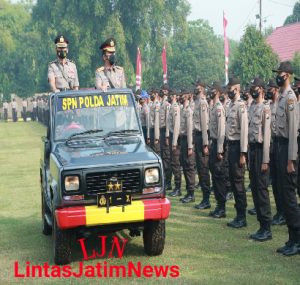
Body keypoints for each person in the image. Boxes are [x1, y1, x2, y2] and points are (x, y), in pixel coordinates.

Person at [272, 61, 300, 256]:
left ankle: (297, 240)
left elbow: (292, 131)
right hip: (279, 147)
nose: (278, 76)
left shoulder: (290, 98)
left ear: (287, 75)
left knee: (289, 198)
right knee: (282, 194)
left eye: (280, 73)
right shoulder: (281, 97)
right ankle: (291, 239)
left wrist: (291, 159)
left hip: (287, 150)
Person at [248, 77, 272, 241]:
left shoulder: (265, 109)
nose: (252, 89)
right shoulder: (251, 107)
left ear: (262, 90)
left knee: (262, 189)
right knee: (255, 188)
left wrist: (265, 160)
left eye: (255, 87)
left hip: (261, 151)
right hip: (252, 150)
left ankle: (267, 228)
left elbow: (267, 136)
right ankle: (260, 226)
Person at [226, 77, 248, 228]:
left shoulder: (241, 106)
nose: (228, 91)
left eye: (231, 88)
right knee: (234, 182)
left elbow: (244, 131)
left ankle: (242, 217)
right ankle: (238, 214)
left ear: (237, 89)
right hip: (230, 146)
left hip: (238, 147)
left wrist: (243, 153)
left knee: (239, 183)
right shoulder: (231, 105)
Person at [266, 79, 285, 225]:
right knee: (274, 181)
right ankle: (279, 211)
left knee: (281, 182)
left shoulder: (281, 103)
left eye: (270, 89)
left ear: (275, 90)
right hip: (271, 146)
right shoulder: (270, 105)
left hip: (279, 145)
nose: (268, 91)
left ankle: (283, 212)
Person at [207, 82, 227, 218]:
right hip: (213, 143)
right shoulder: (213, 107)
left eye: (213, 90)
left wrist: (220, 149)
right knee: (214, 175)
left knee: (219, 176)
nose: (211, 92)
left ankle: (222, 207)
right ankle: (218, 205)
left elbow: (221, 131)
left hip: (218, 145)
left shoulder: (219, 108)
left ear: (218, 92)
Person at [175, 90, 195, 203]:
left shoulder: (188, 111)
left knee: (189, 167)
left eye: (182, 95)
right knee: (185, 166)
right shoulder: (182, 109)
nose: (180, 97)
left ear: (187, 96)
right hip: (182, 140)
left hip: (187, 141)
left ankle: (191, 193)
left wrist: (189, 146)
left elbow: (189, 129)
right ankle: (188, 192)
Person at [193, 80, 211, 210]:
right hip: (197, 136)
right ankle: (204, 198)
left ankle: (207, 199)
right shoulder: (197, 101)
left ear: (202, 88)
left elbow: (204, 125)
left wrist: (205, 143)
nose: (196, 88)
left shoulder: (203, 103)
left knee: (204, 169)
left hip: (202, 137)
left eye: (198, 86)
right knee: (200, 168)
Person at [168, 90, 182, 197]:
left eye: (169, 95)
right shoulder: (172, 106)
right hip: (172, 136)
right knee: (173, 162)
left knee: (176, 163)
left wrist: (174, 142)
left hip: (175, 138)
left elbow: (176, 126)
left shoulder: (175, 107)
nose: (168, 97)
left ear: (174, 96)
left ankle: (178, 188)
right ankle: (177, 187)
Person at [159, 84, 172, 190]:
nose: (162, 92)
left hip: (165, 132)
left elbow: (168, 120)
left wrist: (167, 135)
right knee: (163, 157)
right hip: (161, 131)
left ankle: (168, 181)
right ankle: (165, 180)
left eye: (164, 90)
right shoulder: (162, 102)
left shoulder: (167, 103)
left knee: (167, 158)